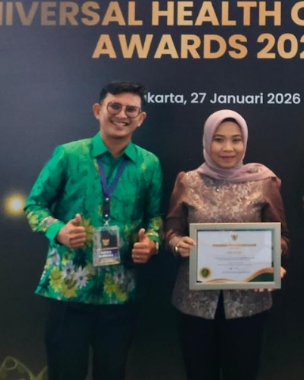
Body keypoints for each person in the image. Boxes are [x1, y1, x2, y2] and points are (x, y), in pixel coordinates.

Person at [24, 81, 162, 380]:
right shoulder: (69, 155)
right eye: (115, 106)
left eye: (131, 110)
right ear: (98, 110)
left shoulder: (148, 164)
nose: (122, 115)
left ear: (141, 118)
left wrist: (152, 242)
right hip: (69, 287)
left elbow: (154, 217)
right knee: (65, 373)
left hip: (120, 290)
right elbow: (34, 205)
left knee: (112, 373)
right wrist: (58, 230)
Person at [164, 109, 290, 380]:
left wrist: (273, 260)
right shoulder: (188, 181)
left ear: (245, 142)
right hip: (194, 303)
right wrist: (177, 244)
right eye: (219, 139)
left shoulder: (263, 182)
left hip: (249, 303)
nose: (228, 148)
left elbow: (282, 238)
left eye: (236, 140)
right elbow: (171, 231)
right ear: (206, 140)